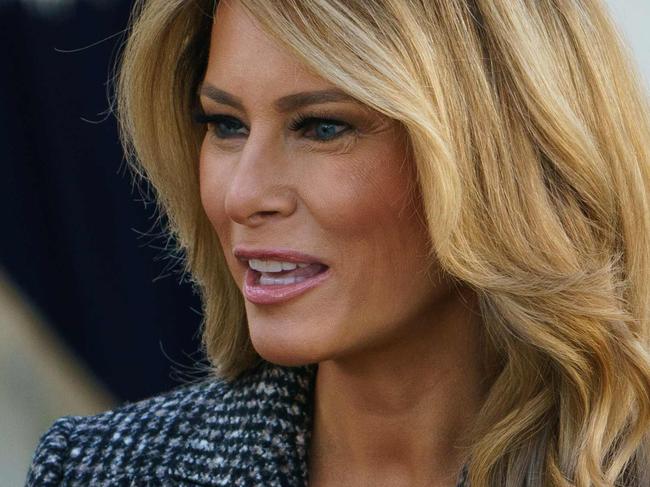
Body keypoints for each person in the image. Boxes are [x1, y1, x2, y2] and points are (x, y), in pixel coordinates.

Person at [25, 0, 650, 485]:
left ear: (498, 158)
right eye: (226, 125)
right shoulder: (99, 469)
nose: (242, 195)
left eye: (322, 127)